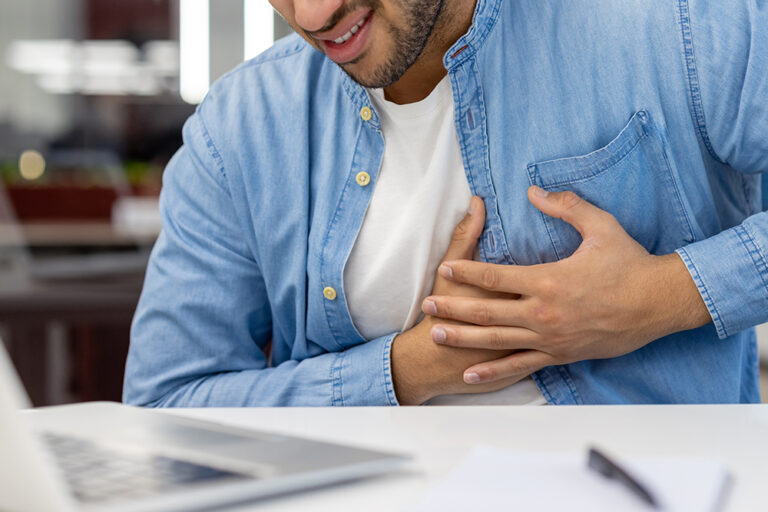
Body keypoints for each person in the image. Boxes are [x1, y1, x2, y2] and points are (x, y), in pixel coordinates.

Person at [123, 0, 767, 407]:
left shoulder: (681, 22)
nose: (314, 15)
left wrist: (659, 296)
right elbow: (166, 405)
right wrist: (408, 369)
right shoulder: (239, 129)